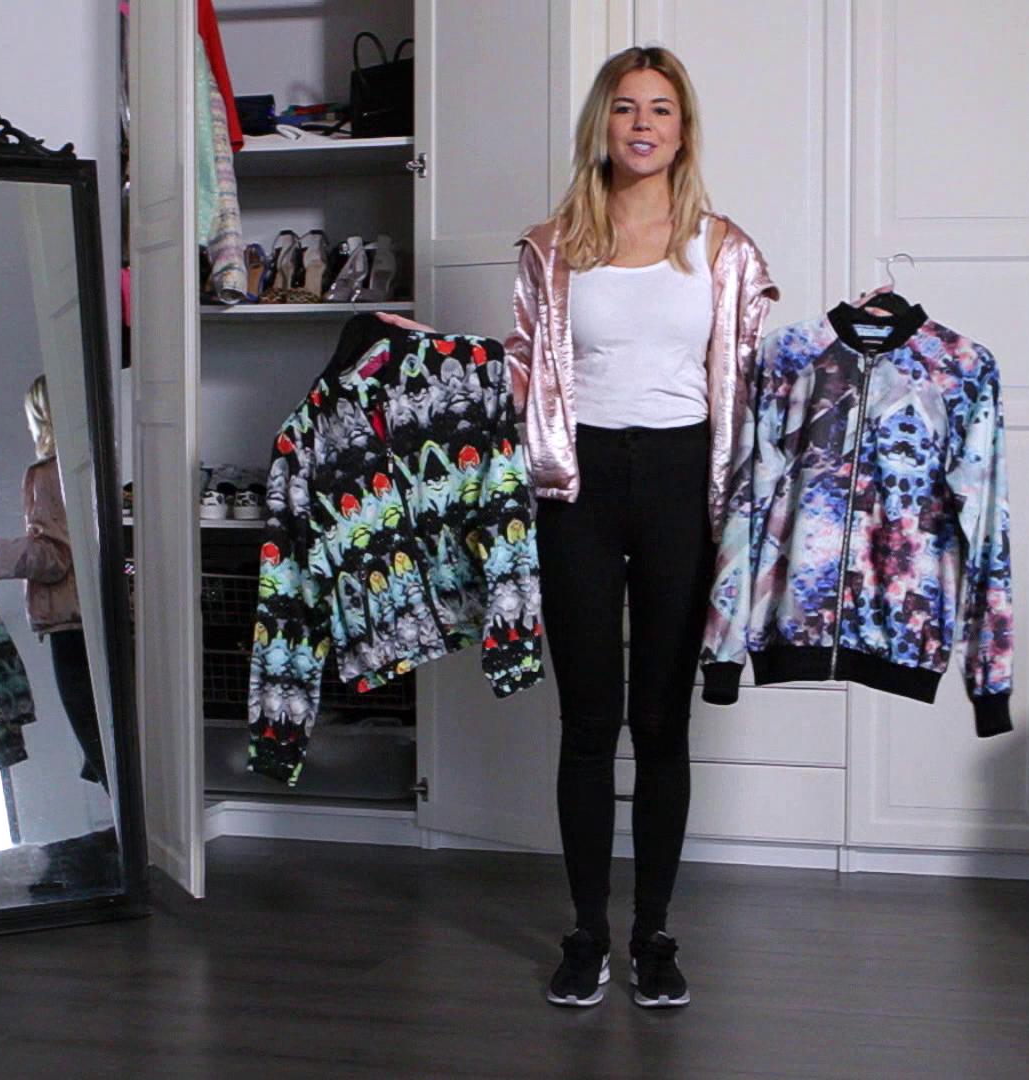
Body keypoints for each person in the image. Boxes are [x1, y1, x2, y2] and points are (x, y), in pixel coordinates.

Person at [381, 45, 778, 1009]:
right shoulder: (555, 245)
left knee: (663, 722)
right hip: (578, 488)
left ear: (684, 130)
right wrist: (440, 358)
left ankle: (655, 937)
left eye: (661, 109)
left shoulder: (724, 248)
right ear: (601, 125)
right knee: (590, 721)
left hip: (683, 482)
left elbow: (759, 377)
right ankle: (588, 934)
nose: (643, 124)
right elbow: (522, 374)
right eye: (626, 108)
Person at [0, 374, 108, 791]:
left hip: (74, 627)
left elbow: (54, 558)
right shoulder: (101, 464)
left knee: (104, 754)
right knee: (111, 744)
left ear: (41, 417)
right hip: (102, 620)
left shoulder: (50, 474)